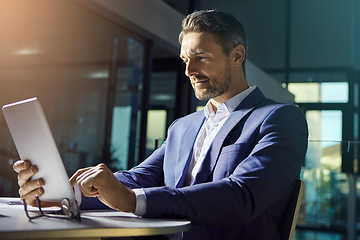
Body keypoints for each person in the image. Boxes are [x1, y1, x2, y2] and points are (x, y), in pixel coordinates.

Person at [13, 9, 308, 240]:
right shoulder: (183, 127)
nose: (190, 70)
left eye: (201, 57)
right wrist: (68, 193)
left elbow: (241, 196)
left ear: (237, 56)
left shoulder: (279, 118)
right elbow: (139, 179)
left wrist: (130, 200)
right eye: (185, 60)